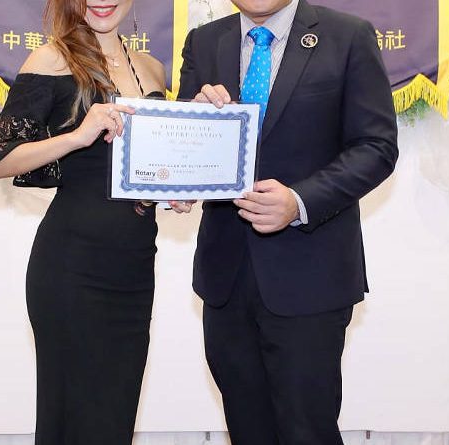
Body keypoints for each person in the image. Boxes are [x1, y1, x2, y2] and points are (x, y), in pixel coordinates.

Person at [177, 0, 399, 443]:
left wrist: (299, 202)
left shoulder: (348, 36)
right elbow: (188, 146)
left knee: (307, 430)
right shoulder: (204, 42)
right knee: (247, 427)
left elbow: (376, 147)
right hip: (225, 278)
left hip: (310, 276)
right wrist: (189, 151)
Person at [0, 1, 190, 443]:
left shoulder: (152, 68)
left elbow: (142, 166)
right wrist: (76, 136)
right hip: (72, 270)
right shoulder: (52, 58)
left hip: (133, 271)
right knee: (73, 418)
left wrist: (172, 191)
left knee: (113, 419)